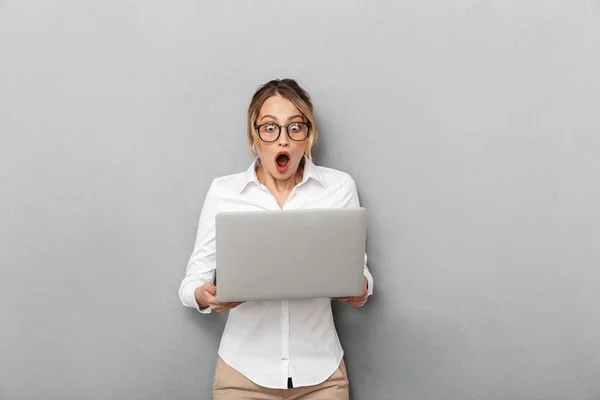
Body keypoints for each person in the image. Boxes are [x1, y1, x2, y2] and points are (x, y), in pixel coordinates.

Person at [178, 78, 374, 399]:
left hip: (322, 375)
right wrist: (205, 295)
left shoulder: (339, 187)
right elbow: (189, 286)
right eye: (270, 128)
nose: (282, 140)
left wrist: (361, 289)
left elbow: (360, 276)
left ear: (308, 136)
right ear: (254, 137)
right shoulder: (224, 192)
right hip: (241, 376)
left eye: (295, 128)